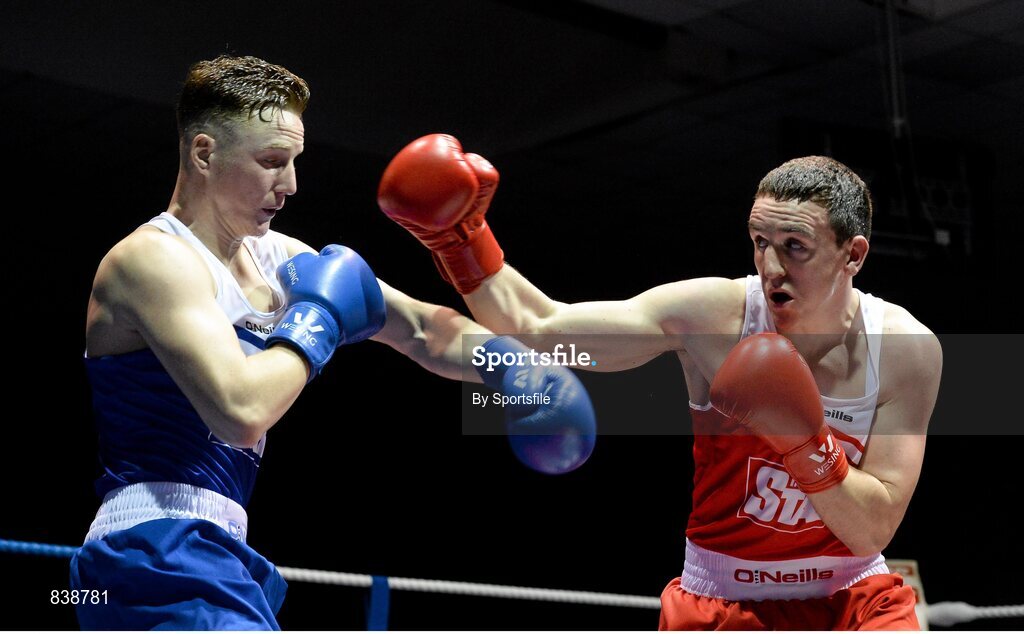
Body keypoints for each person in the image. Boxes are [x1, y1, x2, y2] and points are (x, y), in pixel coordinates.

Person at [70, 57, 595, 630]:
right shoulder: (151, 261)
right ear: (204, 154)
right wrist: (316, 319)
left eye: (294, 161)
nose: (290, 184)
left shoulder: (283, 261)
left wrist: (517, 367)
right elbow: (241, 411)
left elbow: (422, 330)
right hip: (150, 548)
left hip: (214, 549)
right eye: (272, 161)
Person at [377, 134, 943, 630]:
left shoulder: (906, 351)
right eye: (759, 242)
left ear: (854, 255)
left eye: (795, 247)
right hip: (723, 601)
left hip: (852, 599)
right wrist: (462, 241)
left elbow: (872, 530)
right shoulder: (712, 317)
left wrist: (803, 442)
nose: (771, 267)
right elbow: (541, 328)